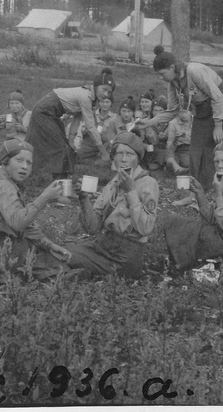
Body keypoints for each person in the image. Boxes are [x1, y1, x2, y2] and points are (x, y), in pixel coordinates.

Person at [0, 139, 74, 280]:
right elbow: (18, 223)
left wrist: (50, 245)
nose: (25, 167)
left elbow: (25, 228)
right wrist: (44, 197)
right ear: (5, 160)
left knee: (42, 252)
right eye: (19, 160)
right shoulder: (3, 184)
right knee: (57, 265)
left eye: (29, 163)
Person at [138, 46, 223, 190]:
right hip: (202, 111)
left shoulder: (195, 71)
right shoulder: (172, 84)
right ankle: (195, 194)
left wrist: (218, 125)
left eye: (162, 73)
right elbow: (173, 110)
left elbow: (218, 98)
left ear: (172, 67)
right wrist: (149, 122)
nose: (161, 77)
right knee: (196, 151)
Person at [64, 132, 158, 279]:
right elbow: (92, 228)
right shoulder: (113, 183)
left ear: (138, 158)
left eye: (130, 154)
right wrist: (83, 198)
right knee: (62, 251)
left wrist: (130, 191)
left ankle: (87, 274)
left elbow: (145, 228)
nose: (124, 159)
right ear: (113, 157)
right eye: (119, 153)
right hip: (104, 246)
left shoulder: (148, 183)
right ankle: (86, 273)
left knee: (66, 257)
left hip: (126, 256)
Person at [162, 140, 223, 273]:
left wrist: (219, 193)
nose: (220, 166)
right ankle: (179, 262)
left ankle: (179, 264)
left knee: (177, 224)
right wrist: (200, 193)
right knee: (183, 225)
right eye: (217, 161)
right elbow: (213, 218)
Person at [25, 68, 114, 179]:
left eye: (109, 92)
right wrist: (103, 152)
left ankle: (57, 178)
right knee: (59, 146)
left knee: (64, 146)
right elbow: (90, 127)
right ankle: (59, 181)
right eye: (104, 89)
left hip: (50, 113)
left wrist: (71, 139)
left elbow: (77, 117)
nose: (106, 94)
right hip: (45, 111)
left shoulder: (90, 98)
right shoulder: (86, 96)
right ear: (96, 86)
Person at [163, 108, 192, 174]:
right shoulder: (173, 123)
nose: (183, 115)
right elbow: (169, 144)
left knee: (189, 162)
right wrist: (176, 138)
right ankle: (176, 168)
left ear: (190, 111)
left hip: (195, 148)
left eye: (185, 112)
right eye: (180, 112)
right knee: (186, 162)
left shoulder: (196, 121)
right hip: (182, 149)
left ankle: (172, 168)